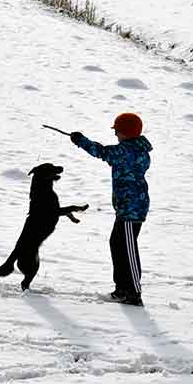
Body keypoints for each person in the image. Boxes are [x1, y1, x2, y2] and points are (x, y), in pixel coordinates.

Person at [70, 113, 152, 306]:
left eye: (117, 131)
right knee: (117, 244)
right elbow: (111, 155)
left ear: (125, 132)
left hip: (132, 209)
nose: (115, 134)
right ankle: (121, 289)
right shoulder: (133, 150)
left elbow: (103, 152)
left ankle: (133, 294)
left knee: (128, 249)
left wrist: (80, 141)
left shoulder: (127, 151)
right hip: (127, 207)